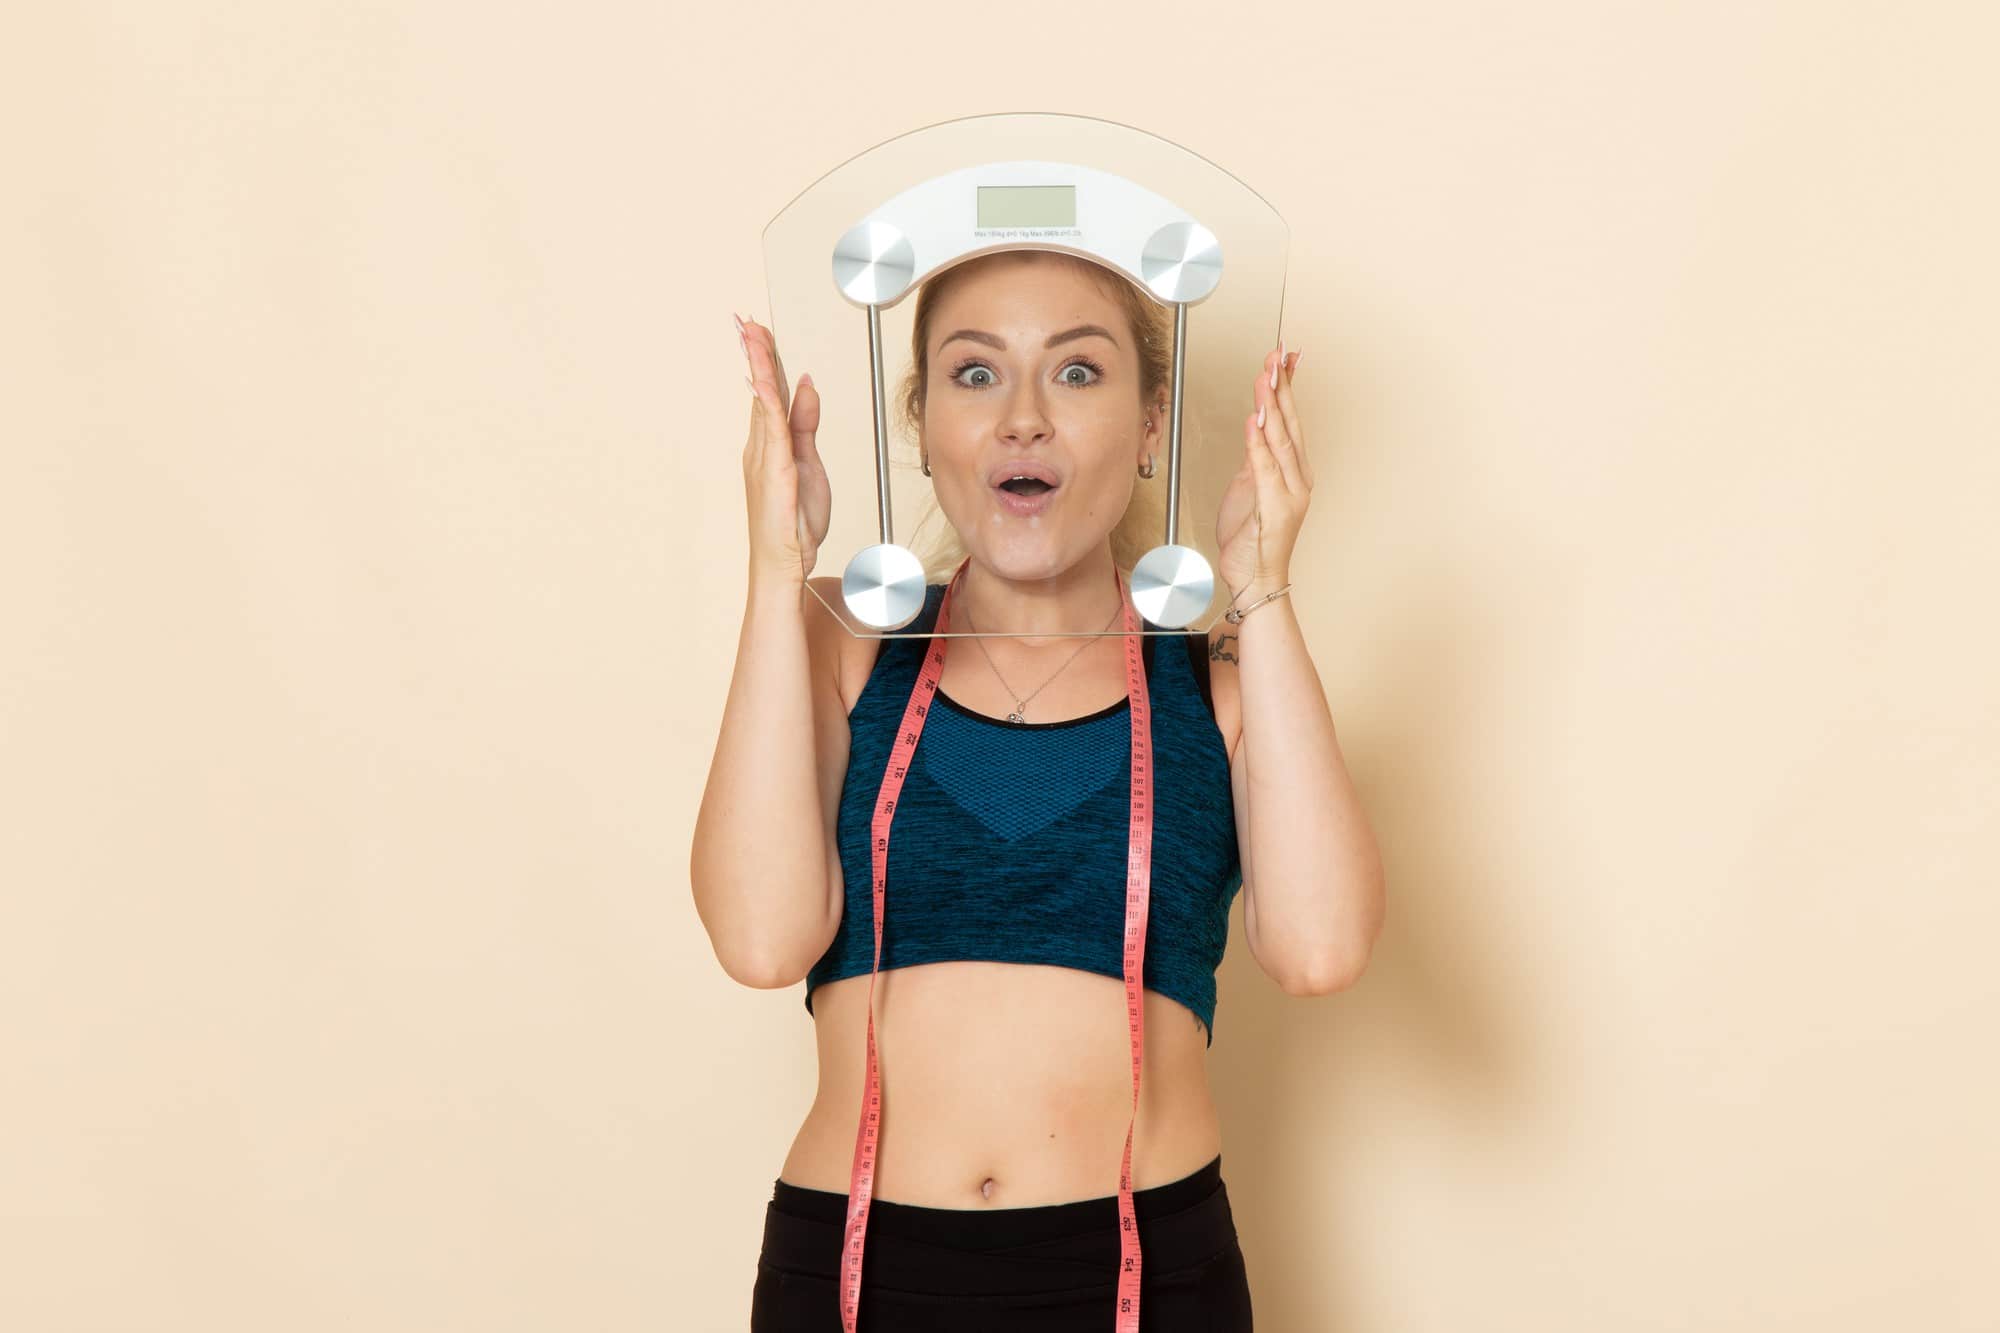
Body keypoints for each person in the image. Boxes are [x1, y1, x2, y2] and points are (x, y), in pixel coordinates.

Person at [692, 249, 1384, 1330]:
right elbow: (760, 938)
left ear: (1150, 425)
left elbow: (1319, 948)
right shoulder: (842, 644)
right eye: (974, 373)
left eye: (1075, 371)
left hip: (1150, 1277)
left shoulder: (1217, 679)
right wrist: (774, 571)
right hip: (854, 1273)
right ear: (923, 427)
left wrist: (1263, 589)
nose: (1022, 417)